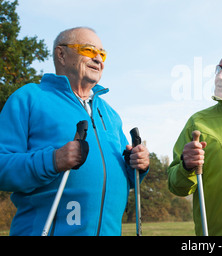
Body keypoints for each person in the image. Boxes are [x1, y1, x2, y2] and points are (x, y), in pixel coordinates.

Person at [0, 27, 149, 236]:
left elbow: (124, 178)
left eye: (103, 54)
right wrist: (53, 160)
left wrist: (137, 166)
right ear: (61, 54)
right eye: (89, 50)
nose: (99, 59)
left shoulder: (110, 114)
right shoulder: (28, 98)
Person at [168, 52, 222, 236]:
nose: (220, 77)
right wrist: (186, 166)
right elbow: (177, 186)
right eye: (218, 71)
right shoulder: (198, 122)